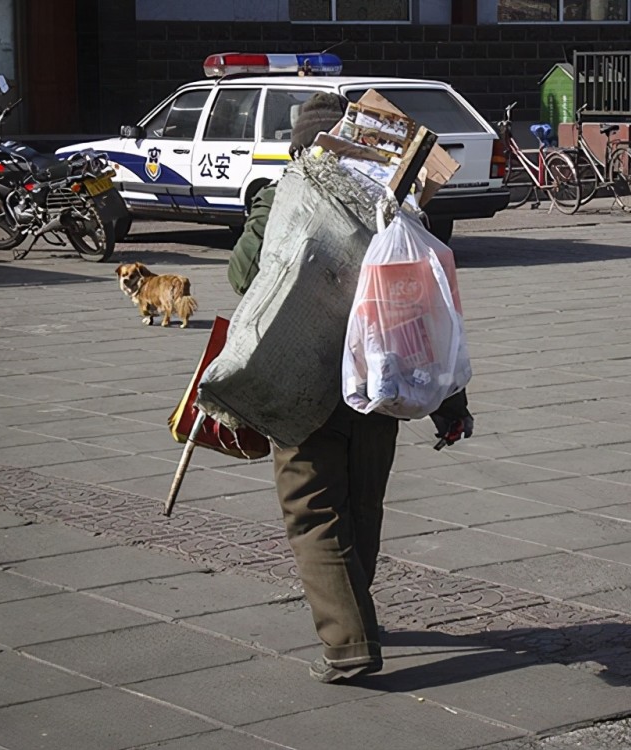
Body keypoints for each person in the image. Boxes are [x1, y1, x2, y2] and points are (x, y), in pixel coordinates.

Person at [227, 91, 474, 683]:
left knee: (312, 510)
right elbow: (422, 310)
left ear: (300, 149)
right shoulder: (398, 205)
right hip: (377, 379)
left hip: (302, 381)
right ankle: (357, 612)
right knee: (362, 503)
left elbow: (242, 277)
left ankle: (349, 643)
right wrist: (450, 402)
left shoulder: (285, 197)